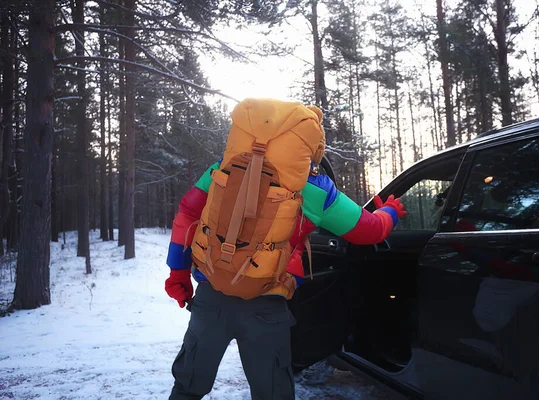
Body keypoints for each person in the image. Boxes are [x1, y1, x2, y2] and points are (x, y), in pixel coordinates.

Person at [164, 100, 407, 400]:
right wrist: (392, 212)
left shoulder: (222, 169)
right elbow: (370, 231)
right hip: (267, 305)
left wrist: (178, 273)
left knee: (187, 388)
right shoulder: (316, 188)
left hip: (211, 293)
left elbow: (187, 214)